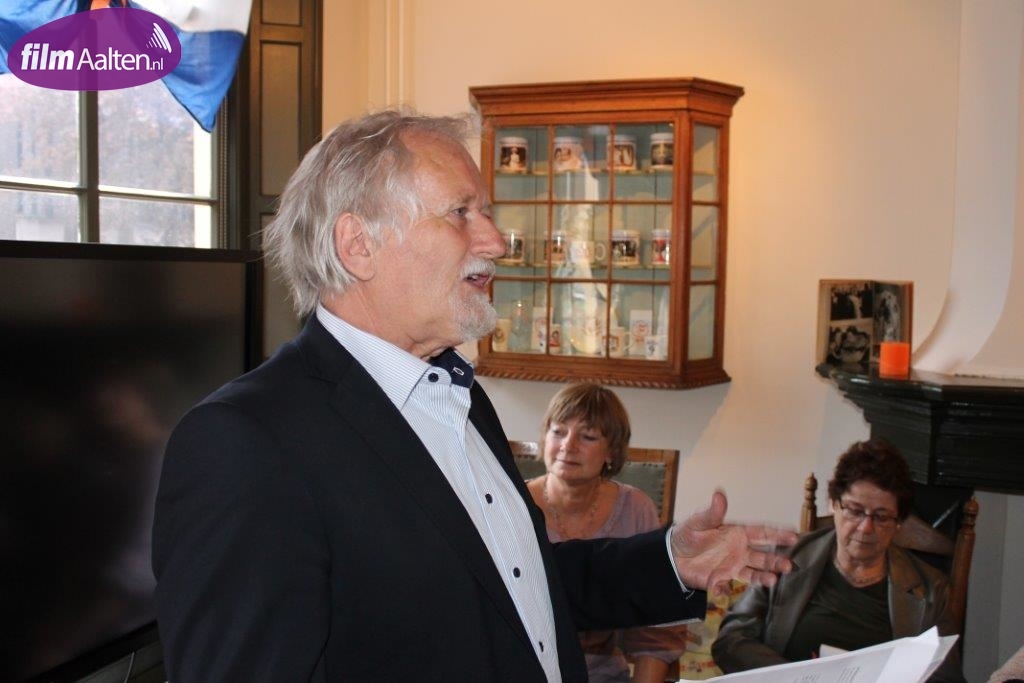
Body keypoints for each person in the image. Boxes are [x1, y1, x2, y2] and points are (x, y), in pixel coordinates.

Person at [151, 108, 797, 682]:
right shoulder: (246, 442)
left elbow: (514, 585)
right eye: (462, 213)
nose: (495, 241)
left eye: (485, 213)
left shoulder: (459, 395)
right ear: (359, 245)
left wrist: (668, 559)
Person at [712, 438, 965, 683]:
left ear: (898, 523)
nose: (866, 528)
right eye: (855, 511)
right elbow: (732, 641)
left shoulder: (930, 590)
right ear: (833, 504)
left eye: (881, 517)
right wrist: (790, 677)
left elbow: (946, 677)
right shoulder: (787, 558)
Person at [527, 383, 689, 682]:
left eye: (587, 436)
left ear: (612, 451)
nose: (568, 446)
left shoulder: (635, 509)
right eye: (558, 431)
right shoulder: (511, 504)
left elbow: (657, 630)